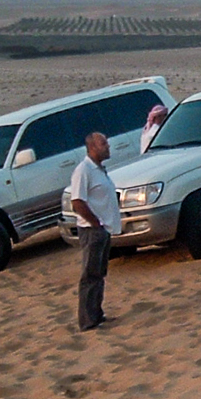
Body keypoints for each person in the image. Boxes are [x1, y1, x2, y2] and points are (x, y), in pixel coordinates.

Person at [70, 132, 121, 331]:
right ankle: (87, 320)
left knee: (99, 274)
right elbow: (77, 202)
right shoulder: (83, 170)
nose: (108, 146)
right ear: (92, 147)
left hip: (104, 229)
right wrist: (95, 223)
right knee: (90, 275)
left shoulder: (99, 169)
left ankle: (97, 314)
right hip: (92, 230)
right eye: (103, 143)